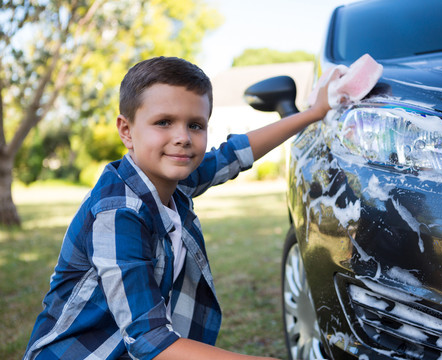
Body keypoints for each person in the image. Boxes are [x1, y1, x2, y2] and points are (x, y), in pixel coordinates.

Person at [23, 56, 331, 360]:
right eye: (164, 122)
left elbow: (234, 154)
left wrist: (313, 113)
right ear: (126, 131)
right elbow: (149, 340)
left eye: (196, 125)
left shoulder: (174, 179)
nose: (183, 138)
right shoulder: (119, 213)